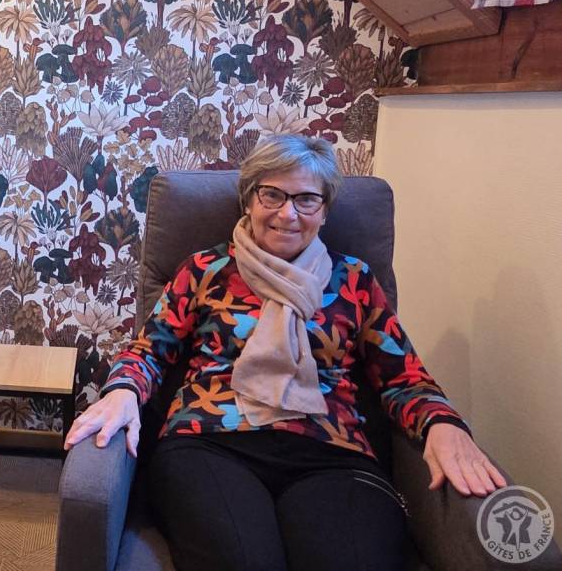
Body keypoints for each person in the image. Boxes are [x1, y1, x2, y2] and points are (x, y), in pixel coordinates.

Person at [64, 135, 505, 571]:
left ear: (325, 210)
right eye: (272, 194)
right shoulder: (205, 270)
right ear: (249, 200)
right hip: (209, 440)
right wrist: (122, 390)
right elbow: (149, 350)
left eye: (306, 199)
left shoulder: (354, 280)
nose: (287, 213)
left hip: (332, 452)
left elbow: (403, 376)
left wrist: (442, 422)